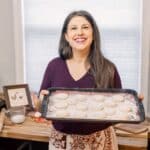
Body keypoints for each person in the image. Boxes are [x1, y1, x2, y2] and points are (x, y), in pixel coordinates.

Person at [39, 10, 122, 150]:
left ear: (93, 34)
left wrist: (132, 104)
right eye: (73, 28)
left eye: (85, 27)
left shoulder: (108, 68)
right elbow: (42, 104)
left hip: (100, 141)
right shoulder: (54, 66)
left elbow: (118, 108)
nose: (80, 32)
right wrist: (40, 102)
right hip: (62, 141)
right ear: (66, 36)